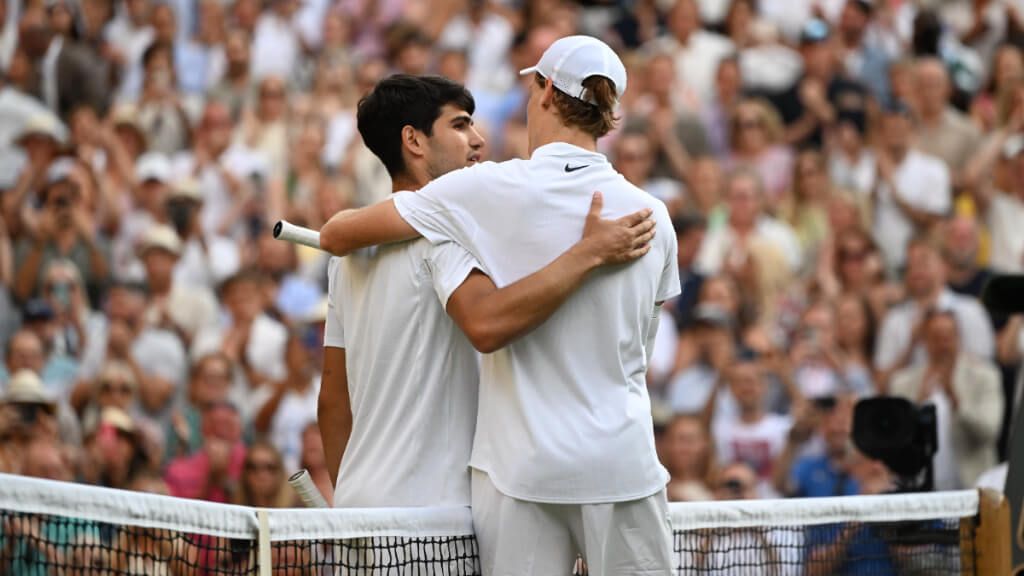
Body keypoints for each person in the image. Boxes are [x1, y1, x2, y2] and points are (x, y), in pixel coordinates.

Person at [319, 37, 680, 574]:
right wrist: (586, 254)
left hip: (510, 477)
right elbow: (640, 352)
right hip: (617, 466)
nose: (479, 139)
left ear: (546, 92)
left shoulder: (483, 194)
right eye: (462, 125)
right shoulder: (655, 216)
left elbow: (336, 235)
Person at [889, 309, 1003, 490]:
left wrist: (956, 401)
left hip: (972, 487)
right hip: (922, 490)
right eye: (936, 337)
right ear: (925, 341)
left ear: (958, 338)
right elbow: (894, 440)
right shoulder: (903, 383)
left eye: (948, 337)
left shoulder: (984, 376)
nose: (943, 344)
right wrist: (917, 404)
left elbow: (989, 431)